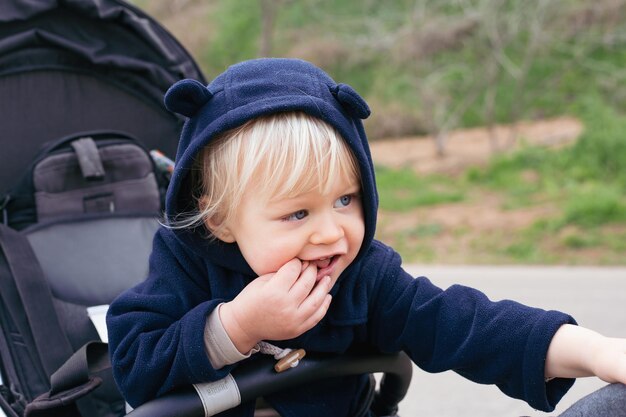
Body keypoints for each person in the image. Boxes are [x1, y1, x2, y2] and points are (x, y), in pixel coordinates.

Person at [106, 58, 626, 417]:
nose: (331, 232)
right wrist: (235, 326)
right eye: (296, 214)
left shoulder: (363, 276)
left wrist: (597, 351)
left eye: (346, 200)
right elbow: (133, 364)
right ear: (220, 222)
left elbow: (472, 325)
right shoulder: (184, 264)